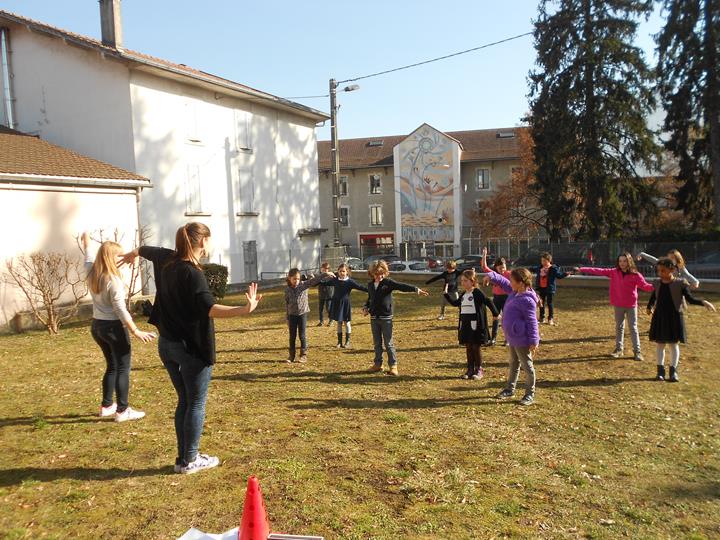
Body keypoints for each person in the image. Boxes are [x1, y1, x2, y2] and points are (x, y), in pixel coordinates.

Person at [120, 222, 262, 475]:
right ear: (203, 242)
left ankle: (183, 458)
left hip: (167, 346)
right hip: (191, 350)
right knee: (195, 403)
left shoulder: (167, 259)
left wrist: (134, 253)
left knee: (184, 401)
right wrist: (244, 310)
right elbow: (210, 308)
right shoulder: (193, 274)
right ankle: (191, 460)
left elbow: (146, 249)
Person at [83, 232, 154, 422]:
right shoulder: (113, 280)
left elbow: (88, 257)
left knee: (112, 365)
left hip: (97, 327)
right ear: (111, 257)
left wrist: (87, 242)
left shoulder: (91, 272)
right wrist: (135, 330)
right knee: (123, 367)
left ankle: (107, 406)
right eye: (119, 255)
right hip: (113, 328)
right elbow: (120, 309)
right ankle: (122, 411)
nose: (123, 258)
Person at [574, 252, 654, 361]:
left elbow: (645, 286)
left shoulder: (635, 275)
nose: (622, 263)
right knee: (619, 327)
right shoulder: (614, 272)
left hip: (631, 305)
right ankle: (618, 349)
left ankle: (637, 351)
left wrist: (658, 285)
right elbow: (598, 271)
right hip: (618, 305)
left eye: (624, 261)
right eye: (620, 261)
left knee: (633, 328)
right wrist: (582, 269)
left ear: (629, 261)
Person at [646, 258, 715, 382]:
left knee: (673, 344)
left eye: (663, 270)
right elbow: (653, 297)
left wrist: (703, 302)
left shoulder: (680, 283)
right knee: (660, 344)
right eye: (658, 271)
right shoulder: (657, 283)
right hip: (660, 317)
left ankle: (673, 372)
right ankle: (660, 372)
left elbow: (690, 299)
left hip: (674, 317)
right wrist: (649, 307)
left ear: (671, 270)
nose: (660, 273)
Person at [362, 260, 429, 376]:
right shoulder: (370, 284)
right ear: (371, 273)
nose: (380, 276)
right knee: (377, 343)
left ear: (385, 273)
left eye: (382, 273)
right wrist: (366, 307)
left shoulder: (388, 283)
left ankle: (393, 366)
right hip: (374, 318)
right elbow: (370, 298)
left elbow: (401, 286)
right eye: (377, 274)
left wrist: (416, 290)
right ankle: (378, 364)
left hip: (386, 318)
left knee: (388, 343)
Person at [487, 267, 540, 406]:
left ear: (521, 283)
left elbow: (532, 321)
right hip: (512, 337)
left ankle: (530, 394)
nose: (510, 282)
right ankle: (510, 389)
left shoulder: (527, 300)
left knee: (527, 366)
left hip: (522, 339)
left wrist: (534, 340)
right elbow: (503, 282)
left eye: (512, 280)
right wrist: (491, 275)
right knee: (514, 364)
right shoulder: (514, 292)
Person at [443, 269, 498, 380]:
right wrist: (446, 295)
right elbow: (455, 303)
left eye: (466, 280)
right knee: (468, 346)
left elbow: (488, 301)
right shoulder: (464, 294)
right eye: (462, 281)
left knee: (475, 347)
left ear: (473, 281)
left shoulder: (477, 292)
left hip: (476, 324)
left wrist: (495, 314)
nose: (463, 283)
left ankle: (479, 369)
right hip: (465, 324)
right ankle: (470, 369)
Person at [284, 267, 333, 363]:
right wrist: (287, 317)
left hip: (302, 314)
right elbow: (287, 304)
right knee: (292, 336)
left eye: (298, 279)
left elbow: (314, 280)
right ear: (289, 278)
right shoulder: (287, 290)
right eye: (294, 279)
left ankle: (303, 355)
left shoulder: (303, 285)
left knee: (302, 335)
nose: (296, 281)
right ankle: (291, 356)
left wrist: (325, 274)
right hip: (292, 315)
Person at [324, 263, 368, 349]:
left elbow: (360, 287)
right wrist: (315, 280)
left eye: (343, 271)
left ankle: (347, 341)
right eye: (340, 271)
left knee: (347, 323)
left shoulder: (350, 282)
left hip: (345, 304)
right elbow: (323, 283)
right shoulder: (335, 280)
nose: (342, 273)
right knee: (339, 323)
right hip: (337, 303)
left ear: (347, 272)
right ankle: (339, 342)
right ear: (338, 272)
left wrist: (371, 289)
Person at [529, 252, 570, 325]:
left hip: (549, 289)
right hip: (541, 288)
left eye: (544, 261)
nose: (543, 262)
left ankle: (550, 318)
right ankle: (542, 317)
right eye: (542, 261)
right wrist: (527, 269)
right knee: (541, 303)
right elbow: (533, 269)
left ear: (549, 261)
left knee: (549, 303)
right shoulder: (540, 268)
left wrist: (566, 273)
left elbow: (559, 276)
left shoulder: (553, 268)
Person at [481, 247, 511, 345]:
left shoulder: (509, 274)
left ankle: (507, 339)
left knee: (506, 318)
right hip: (497, 297)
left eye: (504, 267)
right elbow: (484, 267)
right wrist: (484, 255)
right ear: (496, 268)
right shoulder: (493, 274)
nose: (502, 270)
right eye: (500, 268)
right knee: (495, 317)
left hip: (507, 298)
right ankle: (493, 339)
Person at [316, 261, 334, 327]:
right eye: (323, 269)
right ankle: (321, 321)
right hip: (321, 295)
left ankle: (331, 320)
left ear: (328, 269)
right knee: (320, 308)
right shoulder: (319, 276)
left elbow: (324, 281)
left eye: (326, 269)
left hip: (329, 295)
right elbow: (316, 282)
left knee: (328, 308)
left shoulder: (331, 276)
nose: (324, 270)